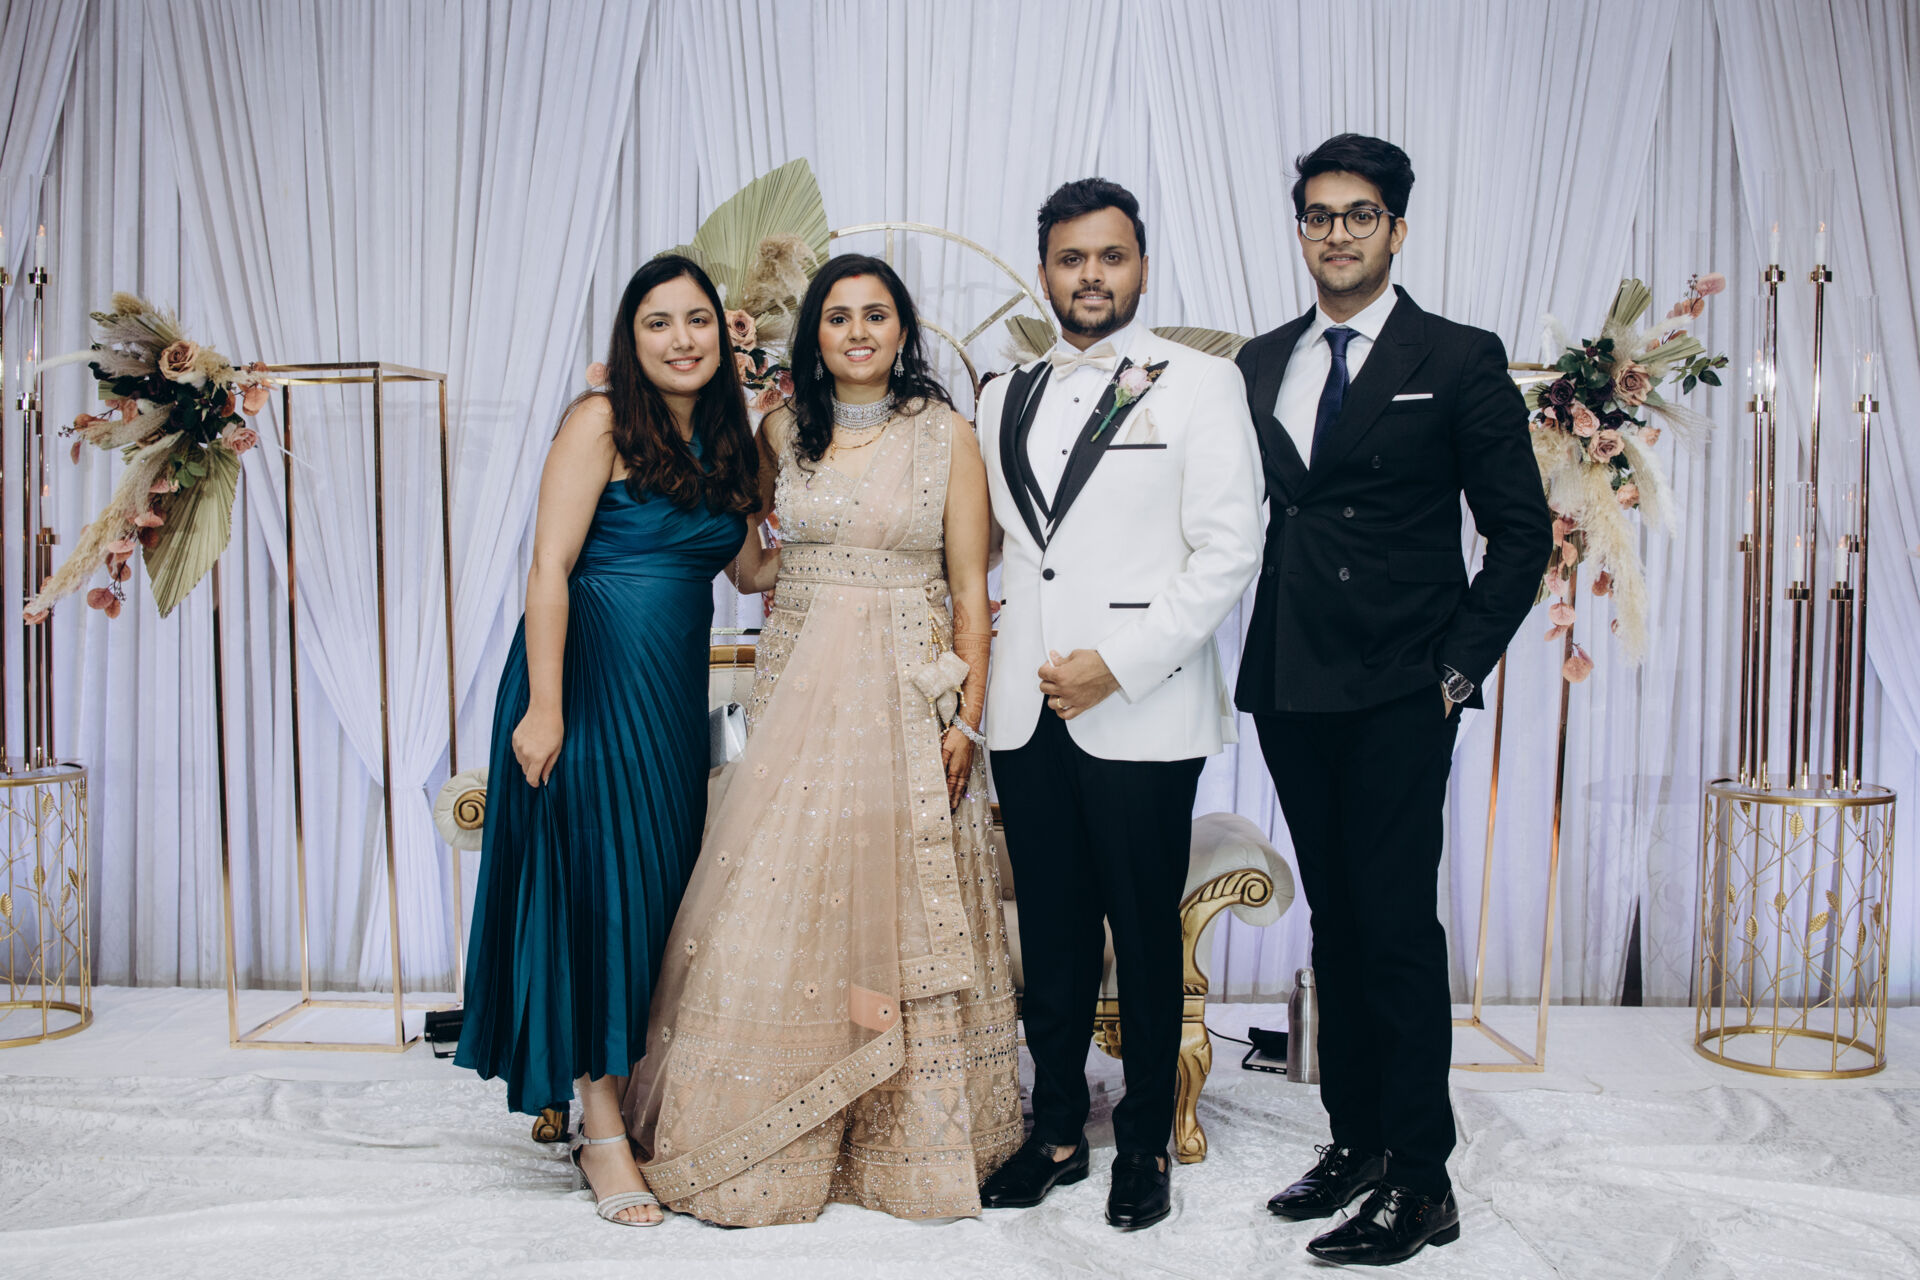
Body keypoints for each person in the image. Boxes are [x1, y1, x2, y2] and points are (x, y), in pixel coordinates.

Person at [627, 253, 1021, 1226]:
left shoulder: (947, 435)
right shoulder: (779, 431)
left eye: (875, 314)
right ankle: (776, 1122)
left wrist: (968, 717)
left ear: (902, 330)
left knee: (901, 898)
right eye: (838, 317)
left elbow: (970, 590)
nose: (857, 332)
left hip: (907, 694)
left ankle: (904, 1134)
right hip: (802, 693)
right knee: (784, 892)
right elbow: (754, 565)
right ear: (813, 337)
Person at [1234, 134, 1552, 1266]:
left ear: (1397, 229)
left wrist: (1456, 672)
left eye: (1359, 215)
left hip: (1401, 688)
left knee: (1398, 926)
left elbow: (1520, 535)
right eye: (1319, 216)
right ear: (1301, 231)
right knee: (1339, 918)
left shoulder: (1457, 356)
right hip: (1292, 680)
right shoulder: (1260, 361)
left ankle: (1422, 1179)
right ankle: (1357, 1142)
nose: (1338, 234)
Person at [976, 178, 1263, 1231]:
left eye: (1110, 256)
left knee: (1143, 935)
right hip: (1023, 708)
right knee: (1051, 933)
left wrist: (1119, 663)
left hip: (1140, 702)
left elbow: (1229, 550)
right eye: (1071, 258)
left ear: (1140, 266)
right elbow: (1011, 553)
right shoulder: (1001, 393)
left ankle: (1143, 1139)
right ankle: (1055, 1129)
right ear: (1043, 271)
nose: (1090, 275)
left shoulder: (1202, 384)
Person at [455, 256, 760, 1226]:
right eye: (658, 322)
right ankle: (601, 1133)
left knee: (657, 895)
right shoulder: (599, 422)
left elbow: (753, 569)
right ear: (631, 340)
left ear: (724, 334)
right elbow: (547, 565)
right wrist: (544, 706)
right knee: (599, 894)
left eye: (697, 320)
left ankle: (630, 1101)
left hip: (666, 702)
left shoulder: (729, 438)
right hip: (584, 682)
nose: (681, 338)